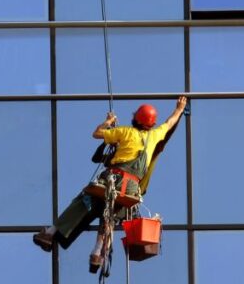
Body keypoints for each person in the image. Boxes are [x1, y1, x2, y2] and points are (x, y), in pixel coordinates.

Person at [33, 96, 188, 270]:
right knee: (110, 216)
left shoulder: (125, 132)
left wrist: (108, 122)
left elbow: (97, 133)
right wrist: (179, 109)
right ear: (151, 124)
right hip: (131, 189)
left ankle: (50, 232)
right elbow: (170, 122)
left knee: (83, 202)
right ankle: (97, 253)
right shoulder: (155, 135)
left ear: (135, 119)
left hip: (113, 179)